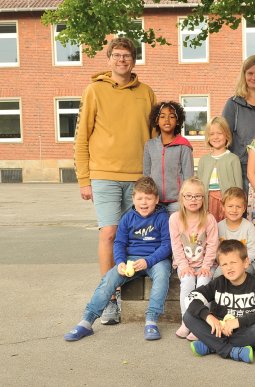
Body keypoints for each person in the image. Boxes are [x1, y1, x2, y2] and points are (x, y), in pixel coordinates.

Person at [74, 37, 157, 324]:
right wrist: (84, 178)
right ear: (109, 59)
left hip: (138, 177)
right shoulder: (94, 90)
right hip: (104, 175)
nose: (122, 60)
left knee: (132, 238)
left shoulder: (146, 93)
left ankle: (129, 291)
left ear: (134, 59)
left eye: (128, 55)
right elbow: (81, 136)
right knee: (109, 234)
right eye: (117, 55)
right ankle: (109, 299)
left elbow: (155, 136)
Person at [64, 177, 171, 341]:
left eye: (148, 198)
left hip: (155, 259)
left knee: (163, 275)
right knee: (109, 279)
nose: (144, 202)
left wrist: (148, 261)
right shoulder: (127, 218)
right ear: (133, 199)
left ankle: (151, 320)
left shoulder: (163, 218)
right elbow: (119, 243)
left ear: (156, 199)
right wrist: (120, 262)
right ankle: (87, 321)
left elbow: (167, 245)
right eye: (140, 198)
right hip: (130, 259)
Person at [184, 239, 255, 363]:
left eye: (233, 262)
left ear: (246, 263)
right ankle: (230, 351)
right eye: (224, 264)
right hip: (219, 329)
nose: (229, 268)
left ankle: (212, 346)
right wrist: (208, 316)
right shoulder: (218, 282)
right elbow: (191, 298)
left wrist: (239, 321)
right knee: (188, 316)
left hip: (243, 331)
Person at [169, 177, 219, 340]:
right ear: (182, 198)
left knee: (204, 284)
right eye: (189, 196)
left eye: (197, 196)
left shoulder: (209, 219)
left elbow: (212, 244)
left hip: (205, 264)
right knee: (188, 284)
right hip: (185, 265)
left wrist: (206, 266)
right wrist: (183, 266)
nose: (193, 200)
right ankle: (187, 321)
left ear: (203, 198)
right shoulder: (175, 219)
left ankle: (202, 323)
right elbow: (176, 245)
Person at [222, 55, 255, 191]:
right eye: (250, 73)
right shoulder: (233, 104)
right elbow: (223, 138)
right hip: (241, 170)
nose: (254, 78)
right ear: (244, 75)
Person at [144, 101, 194, 215]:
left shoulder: (184, 145)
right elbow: (146, 174)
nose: (167, 120)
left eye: (171, 117)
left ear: (178, 121)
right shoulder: (149, 145)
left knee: (176, 232)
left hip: (177, 202)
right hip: (155, 201)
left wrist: (186, 198)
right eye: (162, 116)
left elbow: (188, 176)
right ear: (156, 120)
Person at [197, 116, 243, 222]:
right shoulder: (204, 160)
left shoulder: (233, 159)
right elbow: (199, 185)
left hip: (227, 201)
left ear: (226, 135)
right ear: (208, 137)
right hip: (208, 201)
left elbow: (238, 186)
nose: (216, 137)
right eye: (212, 134)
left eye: (219, 133)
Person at [214, 187, 255, 278]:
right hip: (225, 263)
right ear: (223, 207)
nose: (234, 210)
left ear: (244, 208)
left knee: (247, 271)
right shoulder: (218, 226)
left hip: (245, 263)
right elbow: (215, 250)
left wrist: (240, 262)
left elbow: (252, 250)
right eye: (230, 206)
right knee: (217, 275)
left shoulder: (249, 226)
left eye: (238, 207)